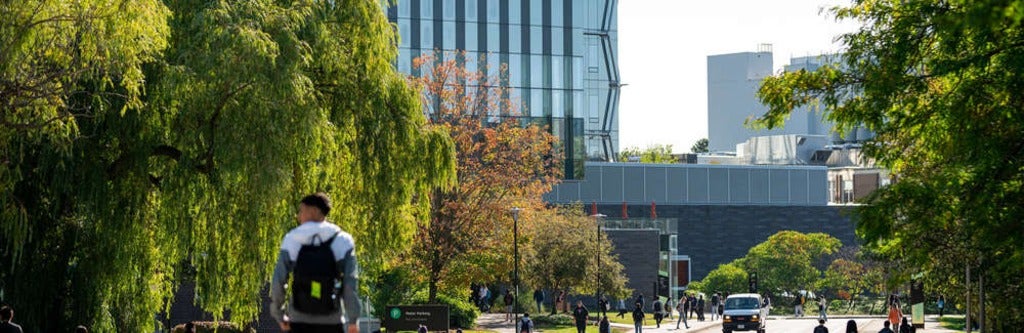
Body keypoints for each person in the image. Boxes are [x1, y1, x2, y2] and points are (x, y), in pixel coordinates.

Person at [270, 193, 362, 333]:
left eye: (301, 211)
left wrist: (280, 315)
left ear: (313, 211)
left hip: (298, 318)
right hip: (332, 319)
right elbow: (350, 284)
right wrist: (353, 320)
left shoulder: (292, 239)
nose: (298, 216)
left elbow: (278, 281)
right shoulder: (343, 240)